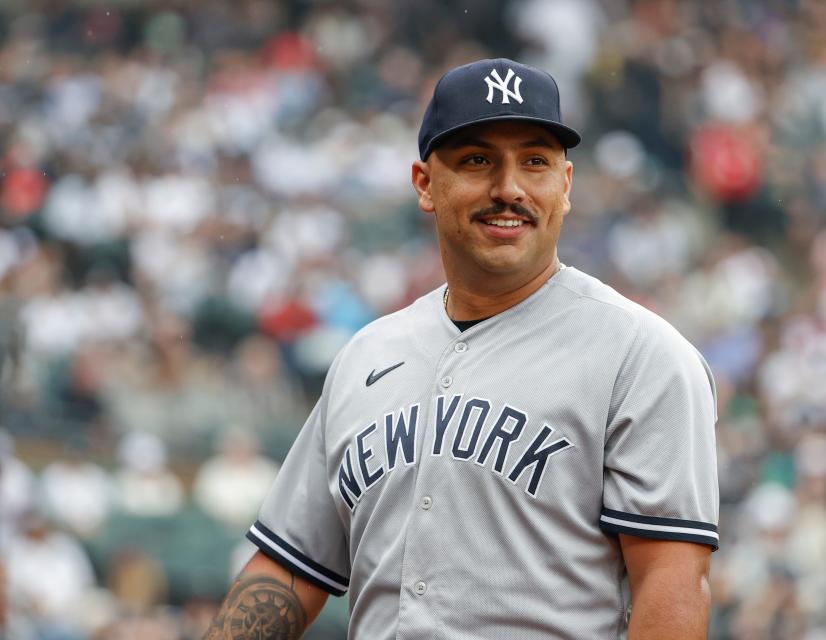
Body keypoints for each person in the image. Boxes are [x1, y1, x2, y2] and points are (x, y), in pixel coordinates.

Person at [203, 58, 719, 639]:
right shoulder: (366, 356)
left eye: (535, 162)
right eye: (477, 161)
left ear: (565, 186)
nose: (509, 189)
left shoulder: (642, 355)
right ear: (425, 183)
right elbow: (288, 570)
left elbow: (672, 588)